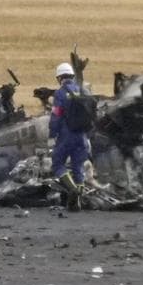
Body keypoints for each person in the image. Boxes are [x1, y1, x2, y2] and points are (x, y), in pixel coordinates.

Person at [49, 62, 91, 210]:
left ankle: (72, 191)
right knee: (78, 167)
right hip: (83, 136)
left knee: (57, 164)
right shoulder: (83, 90)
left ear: (59, 77)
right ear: (72, 75)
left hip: (67, 136)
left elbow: (57, 116)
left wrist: (52, 134)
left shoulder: (60, 93)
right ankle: (76, 204)